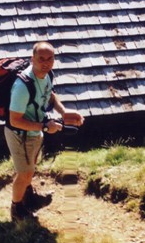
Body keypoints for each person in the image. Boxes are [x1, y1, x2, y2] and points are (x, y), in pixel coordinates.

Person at [5, 41, 85, 222]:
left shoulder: (47, 76)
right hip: (18, 134)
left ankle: (28, 197)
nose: (46, 63)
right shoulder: (22, 86)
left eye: (50, 59)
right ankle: (17, 210)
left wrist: (64, 112)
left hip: (34, 131)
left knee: (31, 168)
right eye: (41, 59)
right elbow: (14, 120)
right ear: (32, 59)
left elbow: (49, 94)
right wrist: (45, 126)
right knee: (24, 173)